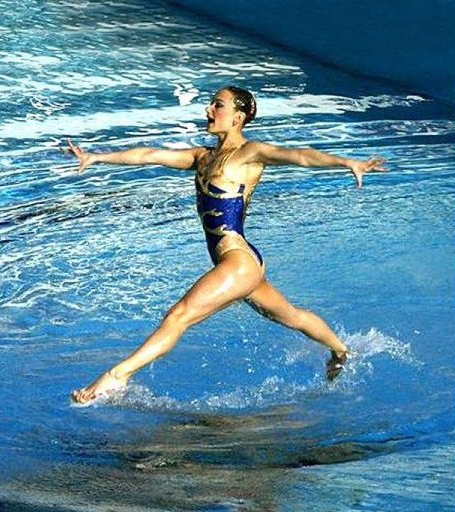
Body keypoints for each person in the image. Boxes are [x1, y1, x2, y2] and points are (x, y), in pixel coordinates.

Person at [69, 86, 387, 404]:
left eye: (217, 105)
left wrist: (348, 162)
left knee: (180, 315)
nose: (208, 110)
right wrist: (97, 157)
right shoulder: (202, 157)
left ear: (238, 117)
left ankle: (116, 377)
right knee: (291, 316)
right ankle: (342, 350)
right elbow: (148, 155)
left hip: (237, 261)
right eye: (210, 104)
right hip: (241, 261)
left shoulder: (250, 153)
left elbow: (300, 156)